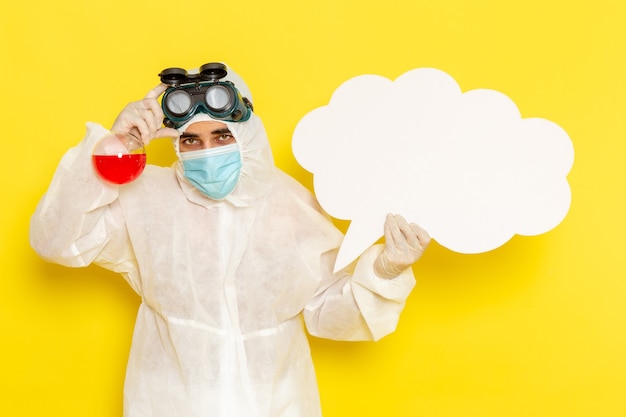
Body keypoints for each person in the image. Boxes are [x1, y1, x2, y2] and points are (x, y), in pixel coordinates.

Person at [30, 63, 431, 417]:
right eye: (191, 141)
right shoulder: (147, 200)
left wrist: (385, 272)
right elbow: (58, 241)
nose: (207, 152)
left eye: (222, 135)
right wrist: (117, 145)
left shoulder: (290, 204)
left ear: (246, 131)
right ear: (174, 144)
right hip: (167, 401)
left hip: (275, 402)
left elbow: (328, 313)